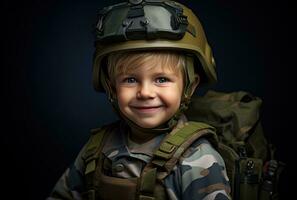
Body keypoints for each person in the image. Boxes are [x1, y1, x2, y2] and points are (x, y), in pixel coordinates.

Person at [47, 0, 231, 199]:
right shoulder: (96, 149)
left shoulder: (199, 158)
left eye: (161, 79)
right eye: (130, 79)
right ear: (111, 86)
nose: (145, 92)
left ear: (190, 86)